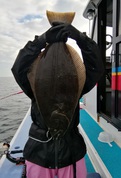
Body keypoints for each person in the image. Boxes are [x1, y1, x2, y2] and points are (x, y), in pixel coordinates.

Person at [12, 22, 104, 178]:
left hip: (70, 156)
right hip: (38, 155)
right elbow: (18, 68)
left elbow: (96, 67)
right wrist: (42, 40)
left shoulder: (77, 89)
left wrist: (80, 38)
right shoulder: (36, 90)